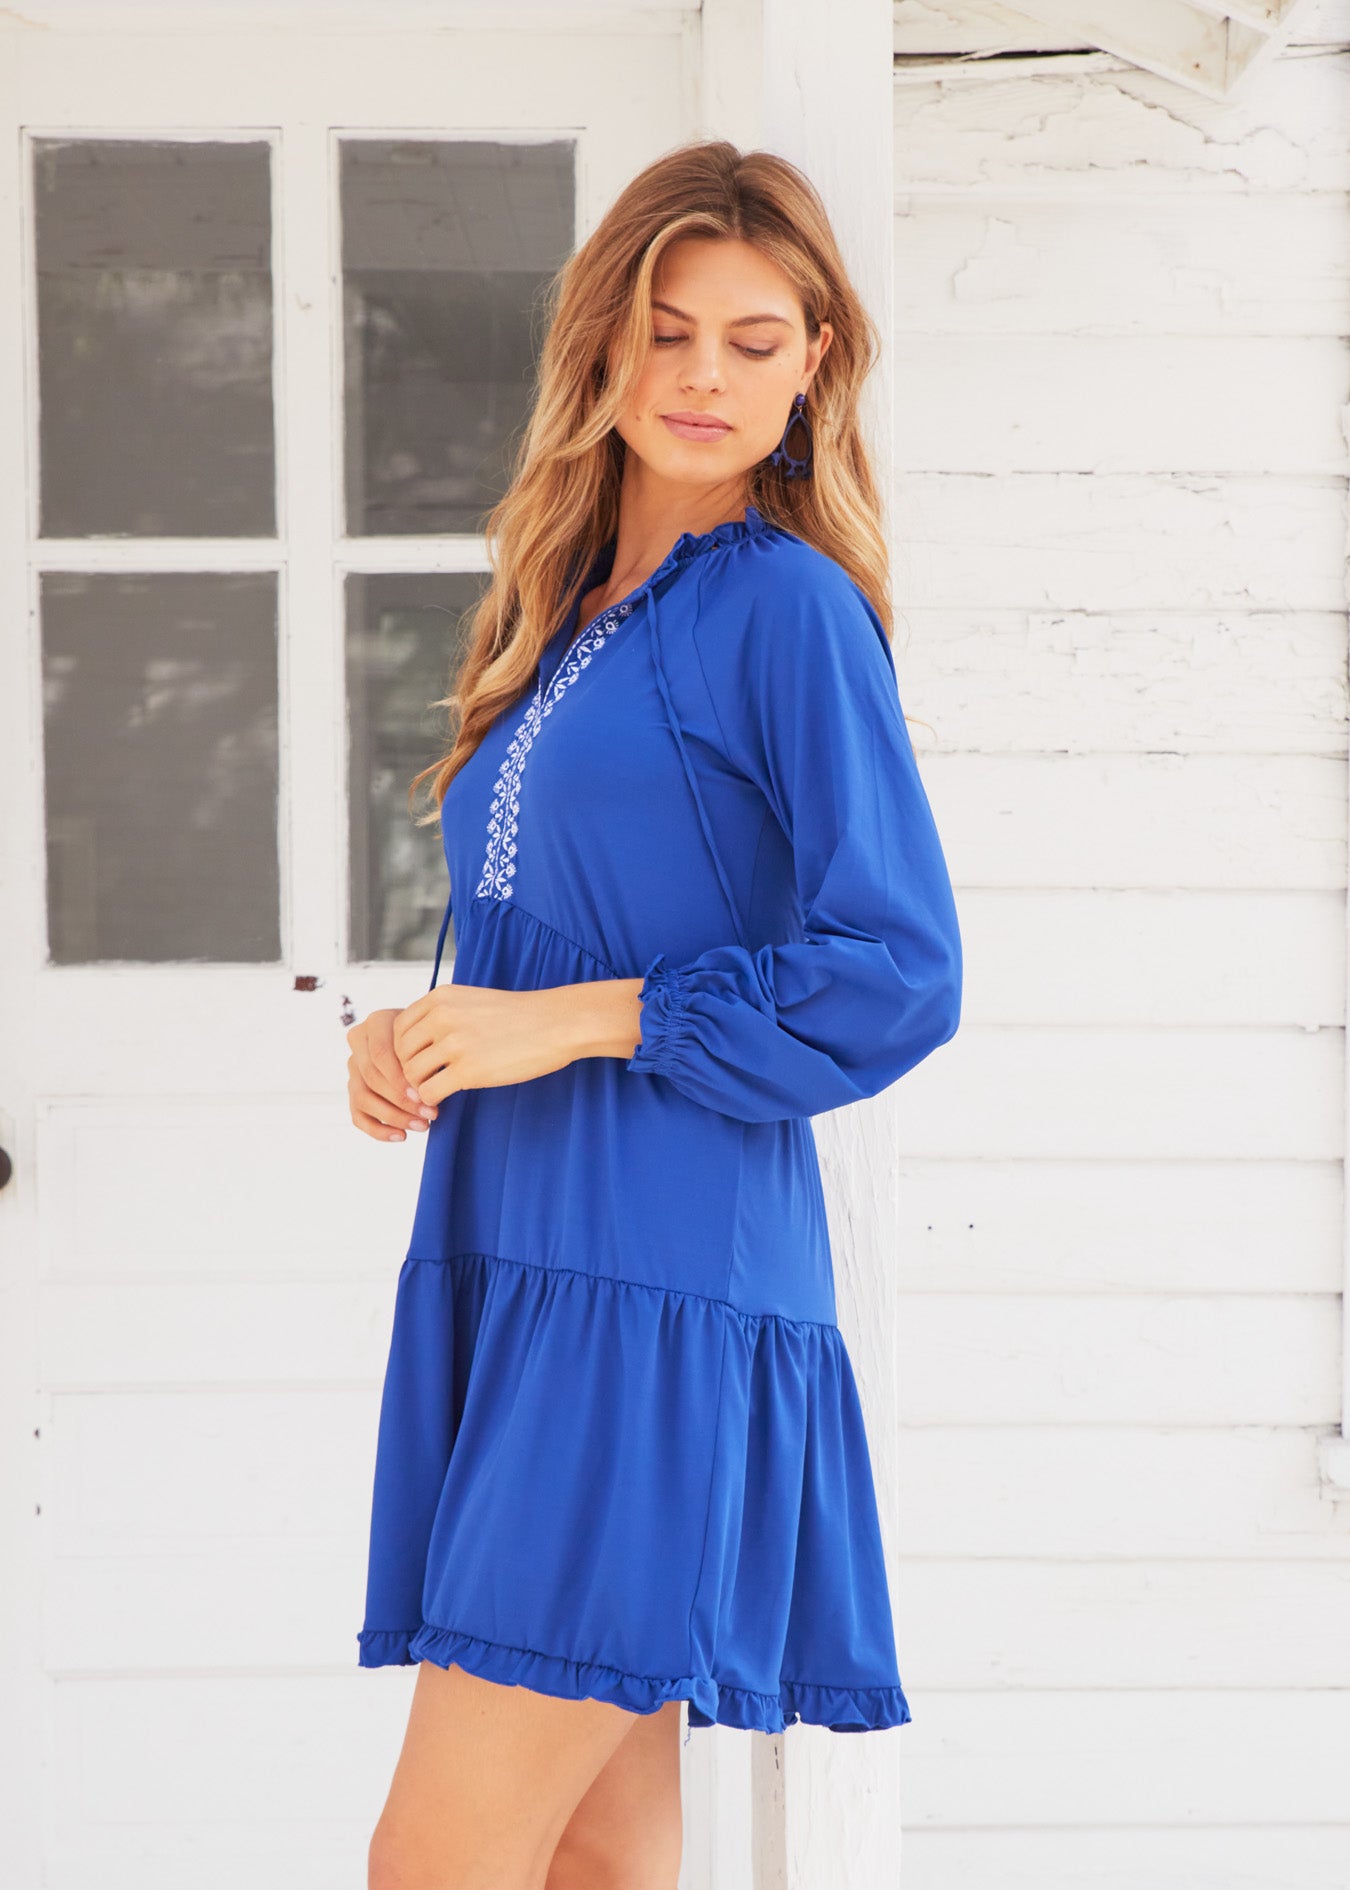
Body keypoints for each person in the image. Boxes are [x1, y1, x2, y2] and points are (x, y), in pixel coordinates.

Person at [347, 138, 962, 1890]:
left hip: (654, 1277)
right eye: (665, 331)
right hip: (532, 1254)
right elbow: (548, 932)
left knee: (436, 1861)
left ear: (814, 362)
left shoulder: (786, 607)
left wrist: (571, 1024)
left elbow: (896, 968)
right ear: (601, 349)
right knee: (599, 1861)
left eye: (754, 341)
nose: (704, 378)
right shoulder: (562, 614)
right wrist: (423, 1031)